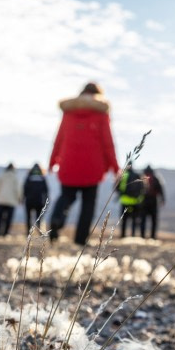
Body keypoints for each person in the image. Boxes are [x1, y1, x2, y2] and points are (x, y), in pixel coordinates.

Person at [48, 82, 120, 245]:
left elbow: (59, 139)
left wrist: (53, 161)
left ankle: (56, 221)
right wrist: (115, 167)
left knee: (66, 196)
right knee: (88, 204)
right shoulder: (101, 113)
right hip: (93, 167)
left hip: (68, 164)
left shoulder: (69, 112)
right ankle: (80, 240)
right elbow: (108, 143)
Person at [0, 163, 21, 237]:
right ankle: (6, 233)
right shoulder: (15, 177)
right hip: (11, 201)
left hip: (1, 200)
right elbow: (18, 190)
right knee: (9, 218)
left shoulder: (1, 176)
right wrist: (19, 198)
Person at [137, 165, 165, 240]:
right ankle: (153, 237)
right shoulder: (156, 178)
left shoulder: (142, 178)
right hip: (153, 201)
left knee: (143, 220)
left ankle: (142, 236)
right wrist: (163, 200)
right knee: (153, 220)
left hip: (144, 201)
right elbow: (161, 190)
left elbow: (138, 190)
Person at [117, 166, 144, 238]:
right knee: (134, 219)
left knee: (124, 219)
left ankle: (123, 235)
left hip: (124, 201)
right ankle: (133, 235)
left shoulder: (123, 175)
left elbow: (117, 187)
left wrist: (121, 194)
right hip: (135, 202)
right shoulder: (137, 175)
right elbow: (142, 188)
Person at [22, 163, 49, 235]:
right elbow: (46, 191)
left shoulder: (29, 177)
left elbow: (25, 189)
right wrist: (46, 200)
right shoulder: (42, 177)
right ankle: (40, 232)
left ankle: (28, 233)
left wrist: (22, 198)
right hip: (39, 201)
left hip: (29, 201)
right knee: (39, 218)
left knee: (28, 218)